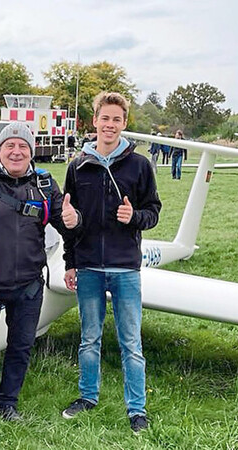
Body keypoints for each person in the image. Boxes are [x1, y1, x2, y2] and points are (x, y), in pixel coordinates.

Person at [0, 122, 79, 441]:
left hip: (29, 286)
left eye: (23, 146)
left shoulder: (45, 184)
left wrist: (75, 222)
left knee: (20, 347)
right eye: (10, 146)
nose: (17, 151)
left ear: (32, 151)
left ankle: (8, 404)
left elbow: (68, 229)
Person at [61, 92, 161, 433]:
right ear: (95, 121)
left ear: (124, 123)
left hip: (124, 269)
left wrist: (134, 217)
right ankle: (88, 396)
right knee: (89, 338)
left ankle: (137, 409)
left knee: (131, 341)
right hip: (88, 266)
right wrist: (70, 262)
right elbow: (68, 220)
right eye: (105, 118)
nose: (110, 125)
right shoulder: (78, 165)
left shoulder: (140, 165)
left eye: (117, 119)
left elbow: (153, 213)